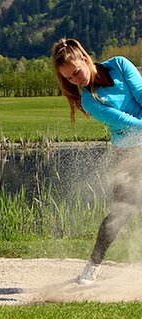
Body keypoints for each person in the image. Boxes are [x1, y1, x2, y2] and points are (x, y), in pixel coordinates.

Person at [52, 37, 142, 285]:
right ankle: (91, 267)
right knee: (120, 214)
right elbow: (125, 122)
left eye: (76, 72)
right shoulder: (89, 101)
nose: (75, 79)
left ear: (84, 57)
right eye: (69, 78)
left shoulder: (120, 65)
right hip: (128, 154)